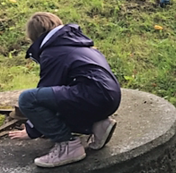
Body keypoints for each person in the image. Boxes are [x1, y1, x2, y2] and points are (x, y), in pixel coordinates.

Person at [9, 12, 121, 168]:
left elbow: (46, 89)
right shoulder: (77, 43)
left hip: (92, 95)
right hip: (109, 96)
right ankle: (97, 125)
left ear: (35, 37)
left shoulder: (53, 52)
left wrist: (33, 128)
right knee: (61, 98)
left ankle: (68, 146)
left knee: (28, 99)